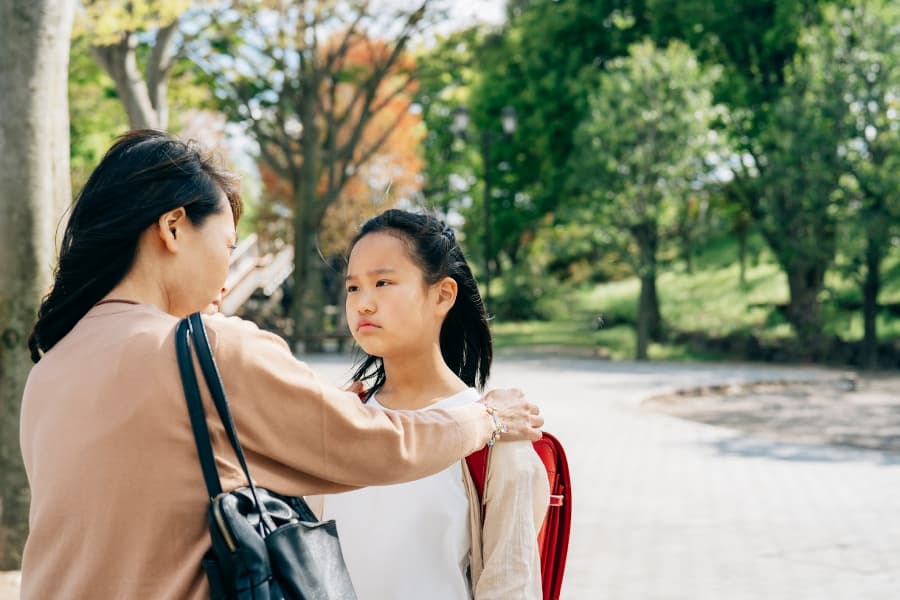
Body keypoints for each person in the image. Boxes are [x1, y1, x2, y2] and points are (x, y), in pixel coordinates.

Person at [19, 130, 543, 600]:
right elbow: (375, 445)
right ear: (174, 228)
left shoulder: (50, 370)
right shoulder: (209, 351)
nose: (226, 278)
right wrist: (488, 419)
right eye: (227, 245)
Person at [319, 210, 550, 599]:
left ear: (442, 294)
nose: (363, 304)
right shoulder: (339, 420)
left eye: (383, 282)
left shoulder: (498, 440)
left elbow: (511, 586)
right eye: (354, 288)